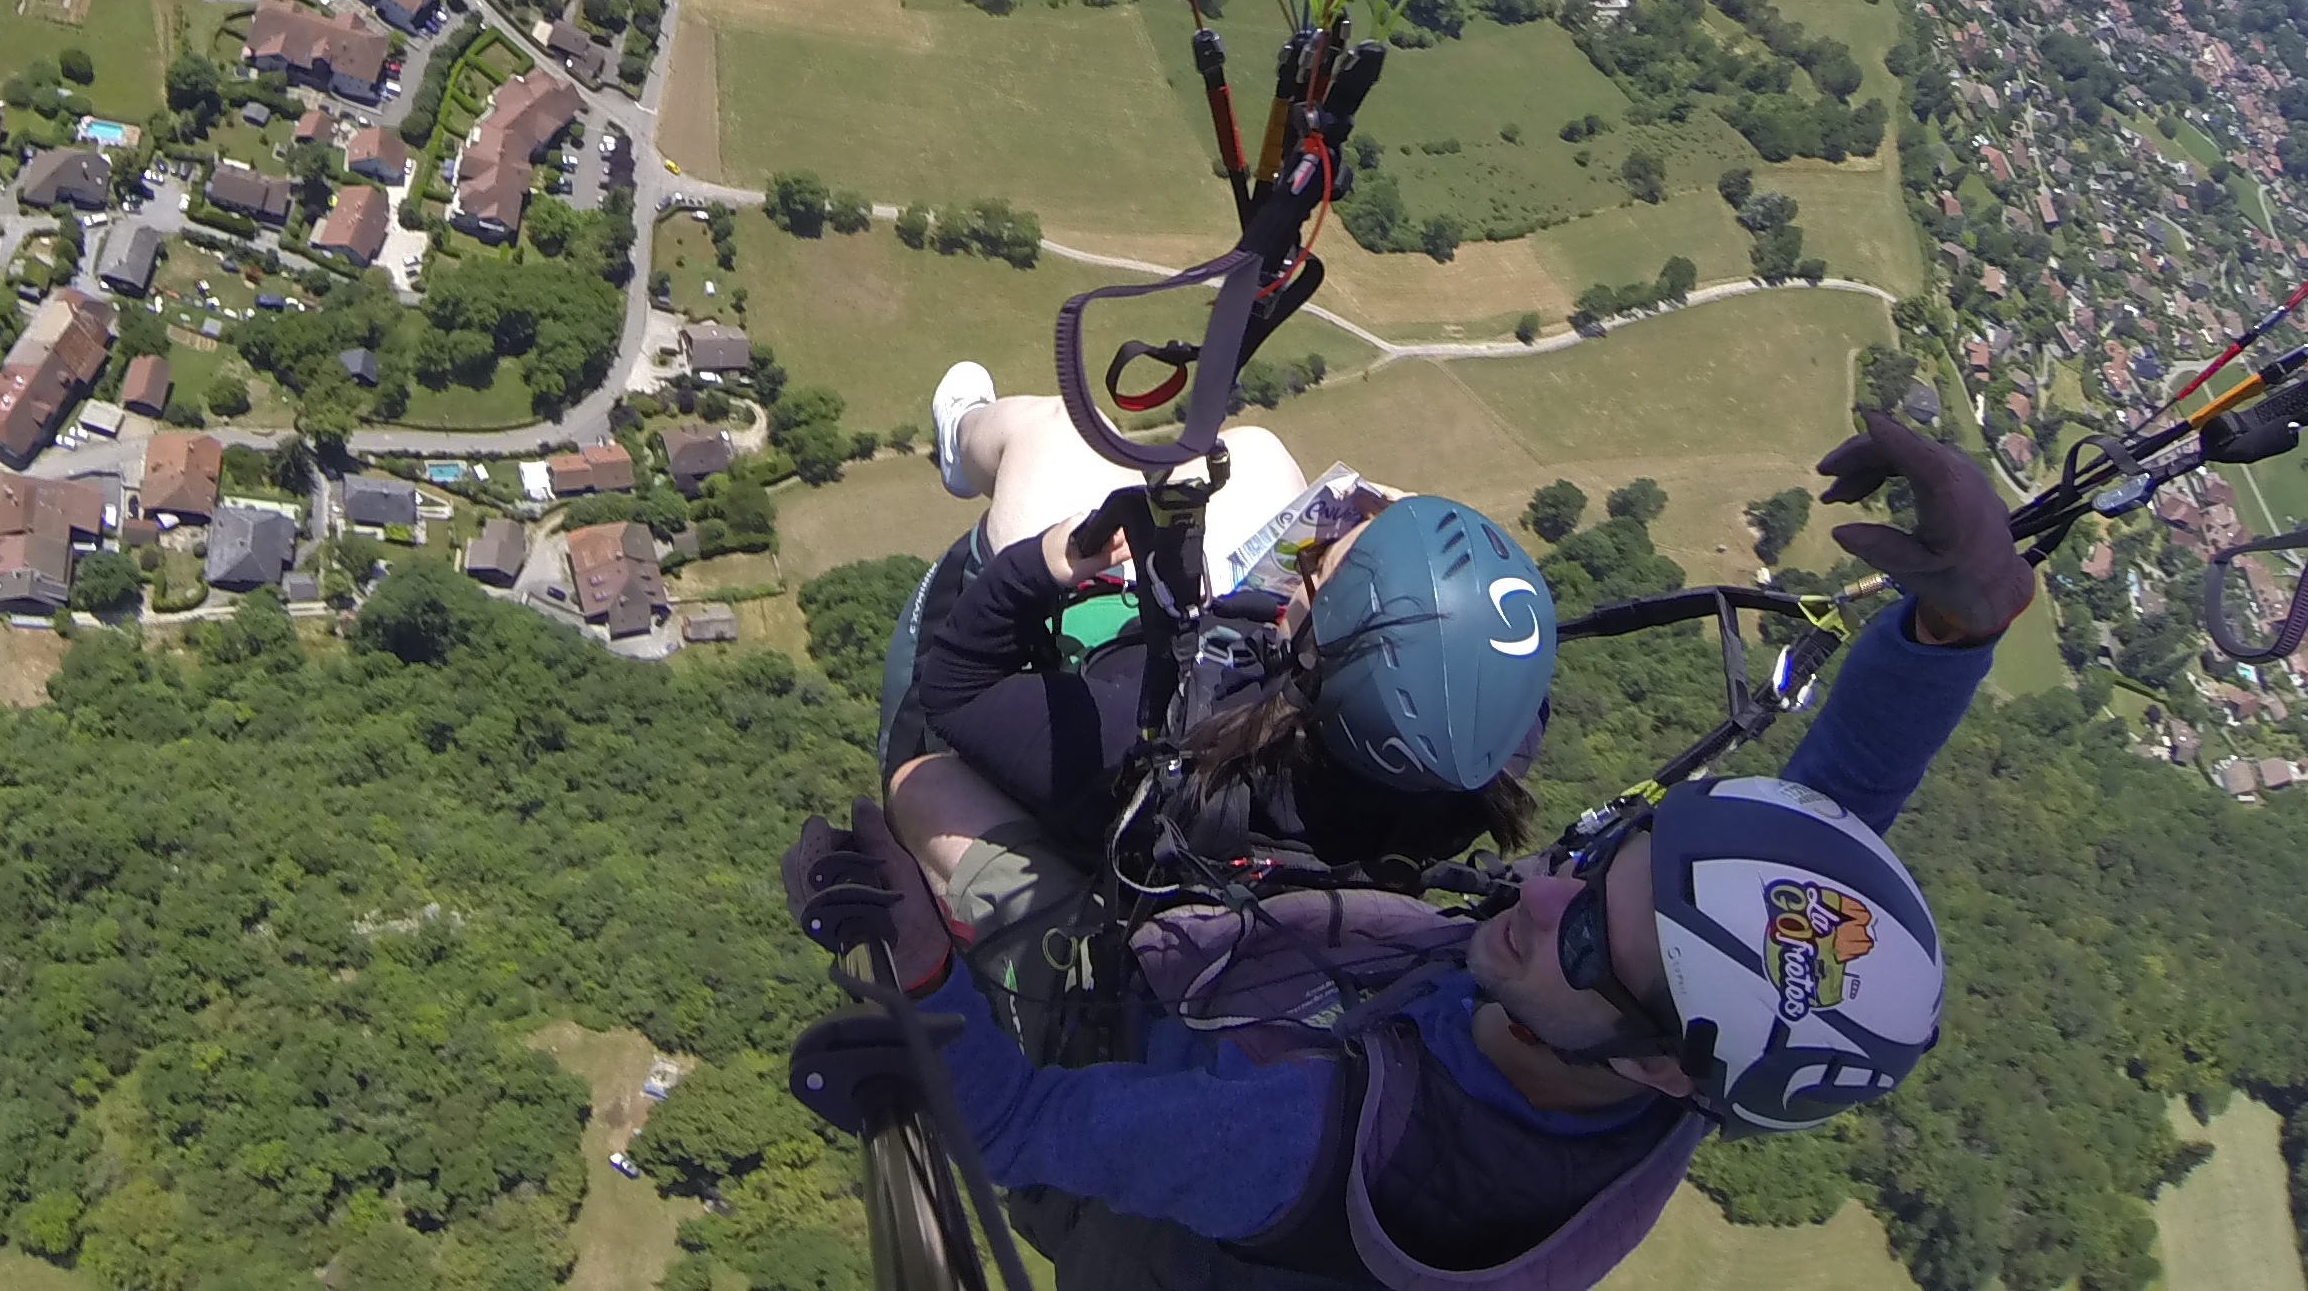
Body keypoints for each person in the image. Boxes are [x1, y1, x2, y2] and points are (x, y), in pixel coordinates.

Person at [790, 406, 2034, 1291]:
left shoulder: (1313, 1150)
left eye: (1589, 931)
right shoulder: (1690, 1029)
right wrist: (1949, 632)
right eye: (1607, 859)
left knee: (926, 782)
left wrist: (915, 968)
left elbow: (1012, 1129)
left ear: (1662, 1073)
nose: (1547, 886)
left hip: (1148, 1089)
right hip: (1303, 979)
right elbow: (1820, 828)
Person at [889, 366, 1562, 960]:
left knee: (1052, 433)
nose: (1327, 529)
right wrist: (1407, 535)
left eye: (1316, 559)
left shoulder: (1149, 743)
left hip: (1120, 674)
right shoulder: (1471, 757)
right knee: (1257, 452)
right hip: (1237, 675)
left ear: (1309, 640)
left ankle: (966, 434)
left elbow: (956, 690)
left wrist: (1039, 566)